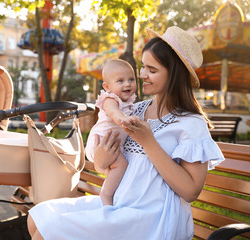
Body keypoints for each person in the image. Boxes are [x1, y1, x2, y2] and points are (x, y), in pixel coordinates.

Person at [27, 26, 225, 240]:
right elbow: (109, 167)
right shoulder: (134, 109)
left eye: (152, 70)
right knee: (38, 217)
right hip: (121, 202)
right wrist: (102, 158)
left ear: (174, 74)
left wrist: (149, 142)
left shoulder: (190, 123)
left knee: (49, 232)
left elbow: (190, 191)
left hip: (153, 216)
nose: (141, 75)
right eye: (142, 67)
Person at [85, 59, 136, 206]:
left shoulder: (128, 102)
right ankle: (106, 195)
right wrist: (125, 119)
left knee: (118, 167)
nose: (127, 84)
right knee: (121, 166)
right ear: (107, 87)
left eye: (131, 79)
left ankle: (112, 192)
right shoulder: (110, 99)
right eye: (120, 81)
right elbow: (114, 113)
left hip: (111, 143)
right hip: (102, 142)